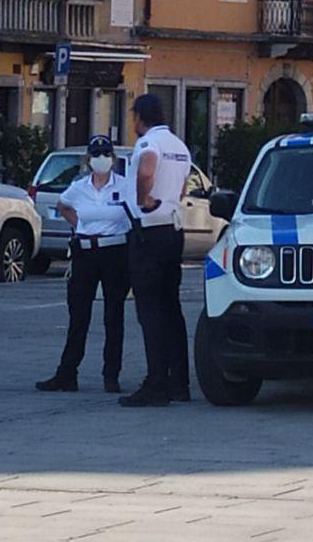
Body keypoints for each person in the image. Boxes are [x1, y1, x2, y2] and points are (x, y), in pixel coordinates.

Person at [36, 136, 131, 394]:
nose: (101, 158)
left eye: (106, 154)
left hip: (115, 251)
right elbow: (63, 205)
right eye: (97, 154)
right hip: (86, 252)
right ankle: (67, 373)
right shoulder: (79, 187)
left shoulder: (124, 186)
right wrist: (78, 226)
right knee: (79, 315)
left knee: (114, 315)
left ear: (113, 158)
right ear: (88, 159)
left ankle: (111, 374)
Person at [119, 94, 192, 407]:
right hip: (173, 229)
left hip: (148, 231)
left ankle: (155, 383)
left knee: (149, 310)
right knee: (171, 309)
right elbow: (184, 185)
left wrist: (143, 199)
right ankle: (179, 382)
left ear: (140, 117)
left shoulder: (149, 144)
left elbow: (147, 171)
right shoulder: (179, 146)